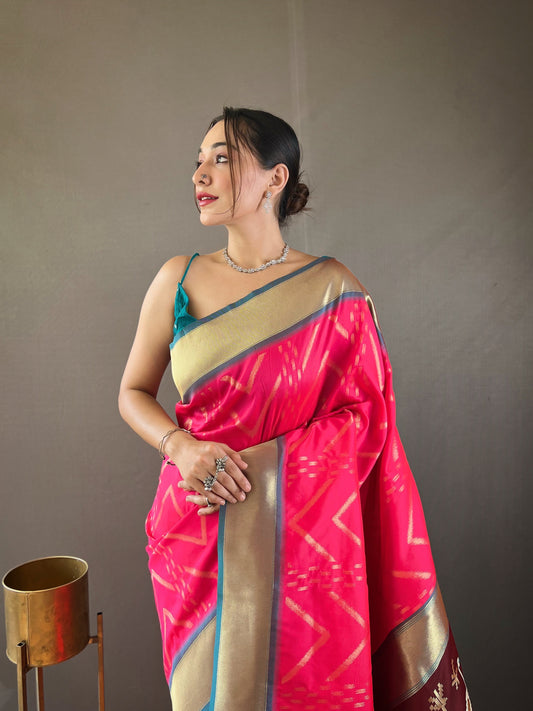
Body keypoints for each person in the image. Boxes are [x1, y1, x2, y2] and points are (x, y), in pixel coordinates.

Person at [119, 107, 471, 710]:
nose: (200, 173)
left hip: (309, 555)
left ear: (275, 178)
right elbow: (133, 392)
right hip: (199, 533)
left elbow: (369, 424)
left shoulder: (333, 291)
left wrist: (268, 475)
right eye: (198, 161)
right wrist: (182, 448)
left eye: (222, 158)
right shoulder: (178, 279)